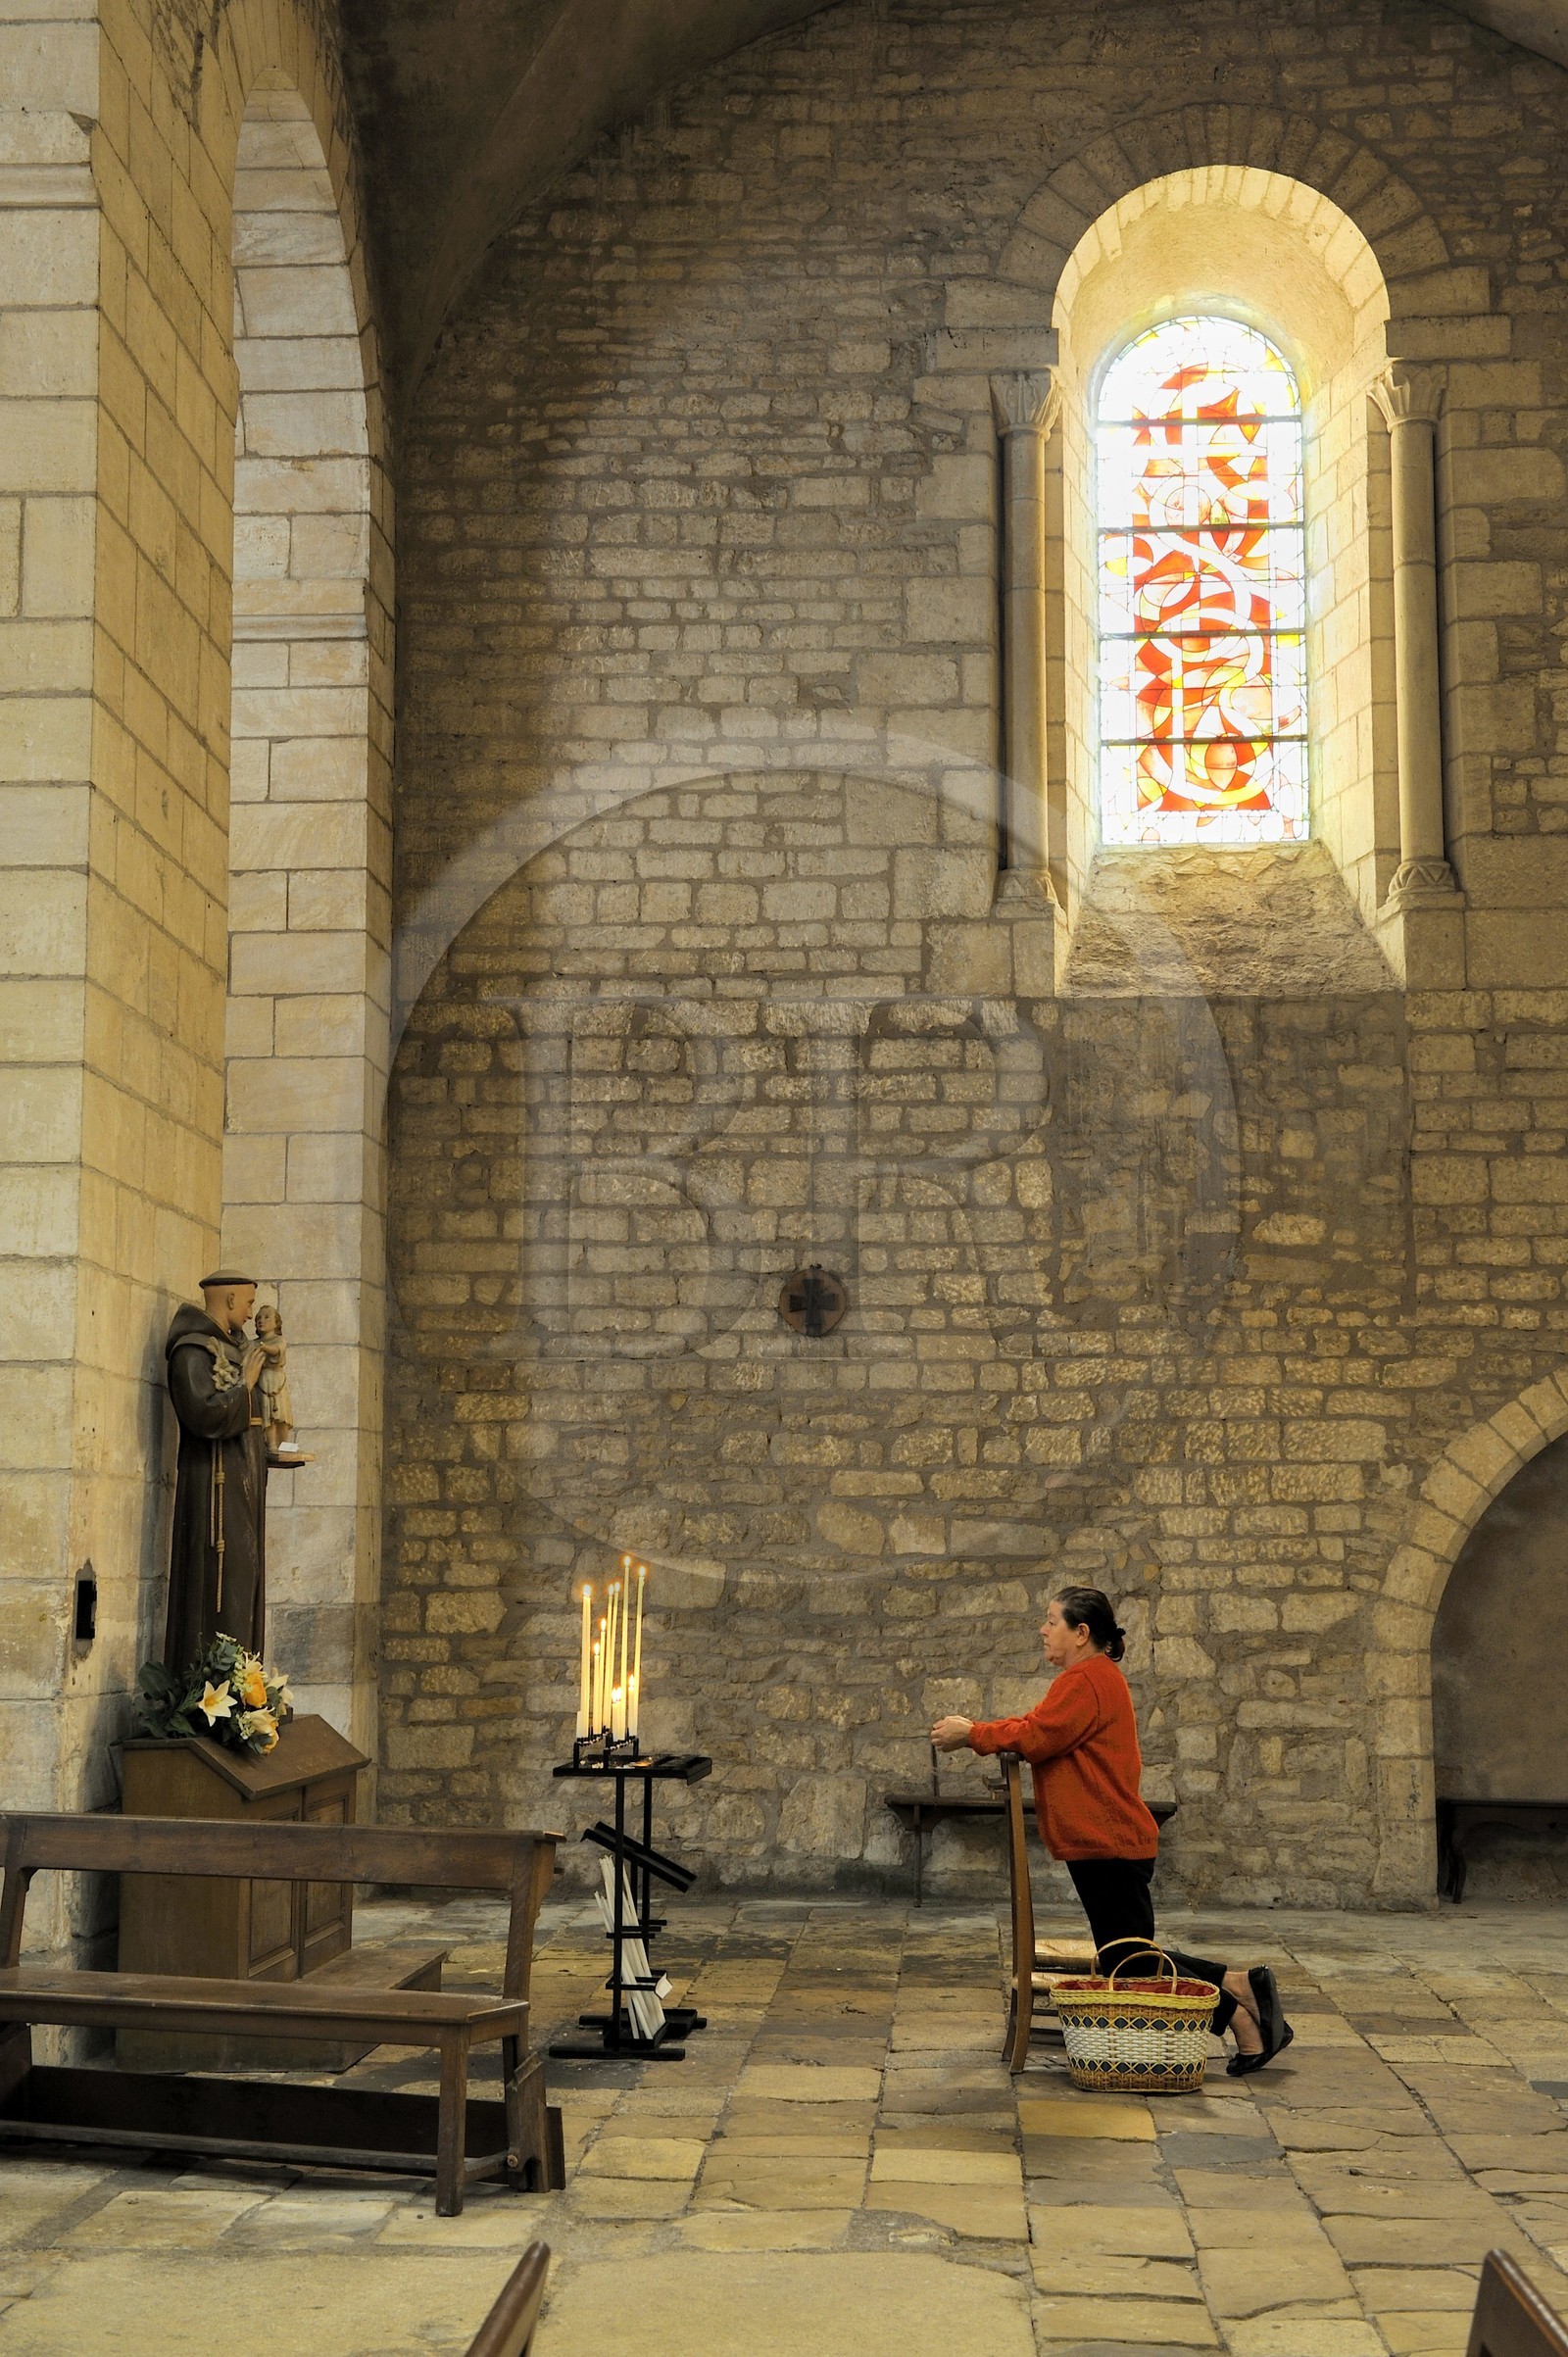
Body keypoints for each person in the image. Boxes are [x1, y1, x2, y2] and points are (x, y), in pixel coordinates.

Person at [931, 1585, 1294, 2075]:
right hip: (1105, 1842)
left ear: (1081, 1633)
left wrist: (972, 1734)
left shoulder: (1087, 1678)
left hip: (1110, 1842)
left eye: (1051, 1620)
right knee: (1131, 1954)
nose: (1043, 1629)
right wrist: (983, 1732)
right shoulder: (1088, 1677)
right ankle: (1240, 1985)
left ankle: (1243, 2023)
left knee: (1133, 1963)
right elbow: (1038, 1725)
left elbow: (1037, 1735)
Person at [163, 1271, 270, 1672]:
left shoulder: (233, 1348)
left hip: (241, 1479)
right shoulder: (192, 1351)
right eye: (246, 1303)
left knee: (244, 1578)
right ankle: (213, 1685)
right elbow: (202, 1413)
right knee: (222, 1581)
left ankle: (243, 1683)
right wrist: (246, 1385)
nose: (250, 1311)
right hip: (212, 1486)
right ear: (227, 1300)